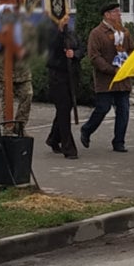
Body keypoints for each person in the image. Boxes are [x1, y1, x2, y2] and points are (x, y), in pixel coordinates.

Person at [81, 2, 131, 152]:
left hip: (122, 79)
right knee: (103, 108)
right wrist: (110, 69)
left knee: (123, 110)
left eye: (119, 12)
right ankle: (87, 129)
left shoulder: (124, 32)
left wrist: (129, 64)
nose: (119, 14)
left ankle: (119, 141)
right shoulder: (96, 33)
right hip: (106, 80)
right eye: (116, 12)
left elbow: (132, 50)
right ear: (107, 15)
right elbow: (94, 56)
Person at [0, 0, 33, 128]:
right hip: (4, 68)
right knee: (7, 100)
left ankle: (20, 127)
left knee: (28, 95)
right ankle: (7, 128)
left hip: (21, 68)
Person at [45, 10, 81, 158]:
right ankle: (68, 147)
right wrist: (60, 32)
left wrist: (75, 54)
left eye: (68, 15)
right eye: (64, 16)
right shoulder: (51, 33)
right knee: (64, 110)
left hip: (71, 75)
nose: (67, 18)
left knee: (65, 109)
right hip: (57, 76)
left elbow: (81, 48)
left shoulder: (71, 32)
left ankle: (53, 138)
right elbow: (52, 50)